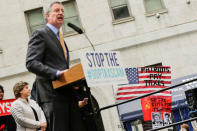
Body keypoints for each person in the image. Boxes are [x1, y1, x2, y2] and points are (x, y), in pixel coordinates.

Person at [26, 1, 86, 131]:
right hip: (52, 96)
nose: (61, 13)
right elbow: (31, 63)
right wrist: (57, 73)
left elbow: (62, 65)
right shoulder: (40, 34)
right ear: (47, 15)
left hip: (68, 94)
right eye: (57, 10)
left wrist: (74, 82)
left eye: (63, 11)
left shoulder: (61, 39)